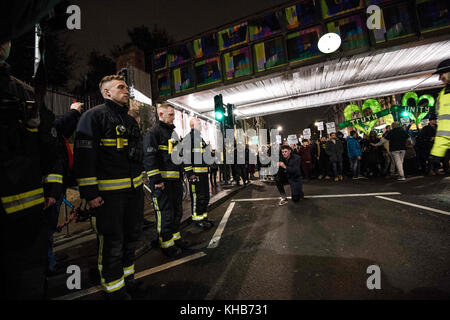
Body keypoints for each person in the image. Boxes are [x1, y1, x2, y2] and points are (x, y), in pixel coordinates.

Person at [74, 75, 144, 300]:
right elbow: (84, 158)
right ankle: (114, 288)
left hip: (134, 192)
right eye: (121, 87)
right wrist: (90, 194)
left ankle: (127, 279)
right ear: (106, 92)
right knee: (113, 240)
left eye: (126, 87)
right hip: (109, 196)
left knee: (132, 237)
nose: (126, 91)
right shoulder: (93, 117)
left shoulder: (130, 121)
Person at [1, 40, 58, 299]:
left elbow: (49, 147)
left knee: (29, 281)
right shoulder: (24, 93)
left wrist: (53, 189)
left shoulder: (26, 94)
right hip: (24, 217)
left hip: (28, 219)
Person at [44, 102, 82, 275]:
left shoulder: (57, 135)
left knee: (49, 228)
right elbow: (60, 125)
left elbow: (64, 128)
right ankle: (48, 264)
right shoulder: (48, 130)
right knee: (46, 229)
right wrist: (73, 111)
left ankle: (50, 259)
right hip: (50, 192)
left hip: (56, 189)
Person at [143, 103, 186, 258]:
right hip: (162, 184)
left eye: (173, 114)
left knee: (177, 212)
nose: (173, 117)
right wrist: (156, 180)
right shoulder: (153, 133)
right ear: (160, 115)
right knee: (165, 214)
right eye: (170, 114)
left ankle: (175, 239)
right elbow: (149, 158)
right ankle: (166, 244)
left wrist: (182, 176)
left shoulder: (172, 133)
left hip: (175, 182)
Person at [184, 118, 214, 230]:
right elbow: (186, 158)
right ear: (192, 125)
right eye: (199, 124)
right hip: (195, 175)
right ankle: (197, 220)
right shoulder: (189, 139)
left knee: (205, 197)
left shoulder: (199, 138)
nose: (201, 126)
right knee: (197, 198)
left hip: (203, 174)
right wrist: (190, 174)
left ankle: (204, 217)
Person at [429, 59, 450, 171]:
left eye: (441, 74)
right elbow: (444, 129)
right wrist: (436, 154)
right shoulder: (442, 95)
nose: (439, 78)